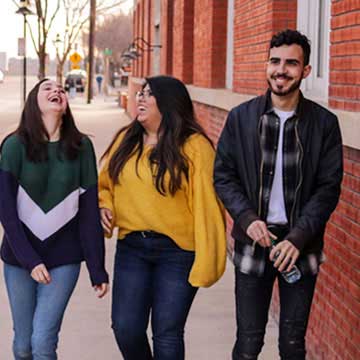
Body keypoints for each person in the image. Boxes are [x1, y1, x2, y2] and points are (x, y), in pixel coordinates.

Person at [214, 29, 343, 360]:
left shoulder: (324, 123)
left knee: (292, 345)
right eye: (275, 61)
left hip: (301, 245)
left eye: (291, 63)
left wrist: (297, 238)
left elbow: (328, 189)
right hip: (253, 241)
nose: (281, 70)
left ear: (306, 71)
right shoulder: (241, 118)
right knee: (248, 343)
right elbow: (224, 176)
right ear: (266, 64)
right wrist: (246, 219)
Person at [99, 75, 226, 360]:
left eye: (149, 94)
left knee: (167, 334)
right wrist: (104, 206)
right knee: (126, 329)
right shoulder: (125, 140)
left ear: (168, 103)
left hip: (178, 253)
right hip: (132, 248)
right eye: (140, 93)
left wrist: (208, 261)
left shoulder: (195, 148)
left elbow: (209, 208)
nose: (139, 98)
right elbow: (105, 185)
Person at [0, 79, 109, 359]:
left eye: (61, 89)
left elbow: (87, 212)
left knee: (43, 341)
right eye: (47, 88)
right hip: (20, 258)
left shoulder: (81, 147)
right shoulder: (13, 146)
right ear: (33, 102)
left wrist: (97, 267)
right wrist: (30, 260)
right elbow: (7, 212)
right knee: (23, 346)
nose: (56, 91)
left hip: (64, 258)